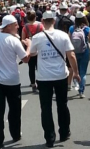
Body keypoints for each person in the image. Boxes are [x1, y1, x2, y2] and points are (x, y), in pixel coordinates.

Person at [30, 11, 80, 147]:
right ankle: (64, 132)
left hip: (43, 77)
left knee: (46, 108)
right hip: (60, 75)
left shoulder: (37, 37)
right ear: (53, 21)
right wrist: (75, 72)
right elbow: (71, 55)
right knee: (62, 104)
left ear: (42, 22)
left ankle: (49, 137)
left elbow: (32, 53)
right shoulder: (63, 35)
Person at [0, 15, 32, 149]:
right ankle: (15, 134)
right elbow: (26, 59)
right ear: (9, 26)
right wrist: (29, 46)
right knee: (15, 110)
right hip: (12, 81)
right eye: (16, 25)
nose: (18, 27)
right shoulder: (13, 40)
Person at [68, 11, 90, 98]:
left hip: (74, 51)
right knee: (83, 72)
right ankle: (81, 91)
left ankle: (76, 84)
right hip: (85, 51)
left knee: (76, 70)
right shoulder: (87, 29)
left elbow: (68, 40)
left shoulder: (71, 28)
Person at [21, 11, 43, 93]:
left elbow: (22, 39)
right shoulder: (40, 26)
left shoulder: (25, 27)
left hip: (30, 50)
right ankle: (40, 82)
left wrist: (26, 42)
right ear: (35, 17)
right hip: (39, 49)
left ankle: (33, 84)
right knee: (39, 68)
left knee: (31, 68)